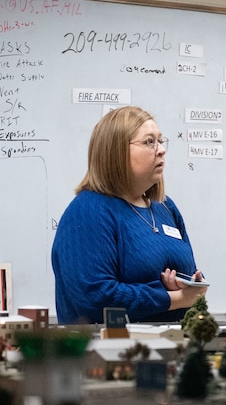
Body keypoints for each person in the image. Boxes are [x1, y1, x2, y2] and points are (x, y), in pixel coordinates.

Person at [51, 106, 205, 325]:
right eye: (149, 142)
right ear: (116, 152)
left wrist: (193, 286)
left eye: (161, 141)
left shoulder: (166, 208)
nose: (161, 150)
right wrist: (173, 298)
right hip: (111, 353)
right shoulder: (88, 211)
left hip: (173, 348)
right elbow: (96, 299)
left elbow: (190, 281)